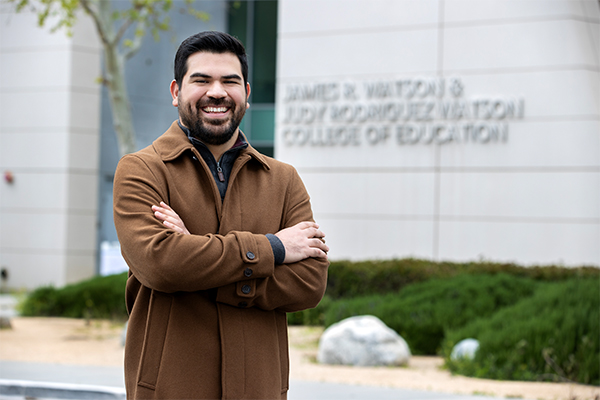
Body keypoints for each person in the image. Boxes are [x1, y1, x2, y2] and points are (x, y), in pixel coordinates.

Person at [113, 31, 329, 400]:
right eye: (201, 80)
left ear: (246, 92)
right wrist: (274, 249)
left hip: (260, 390)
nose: (217, 92)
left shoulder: (283, 180)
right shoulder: (141, 171)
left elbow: (309, 283)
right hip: (169, 390)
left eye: (230, 81)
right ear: (175, 91)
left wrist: (193, 253)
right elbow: (161, 265)